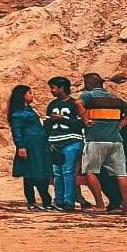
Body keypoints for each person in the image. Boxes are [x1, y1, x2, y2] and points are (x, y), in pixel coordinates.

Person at [76, 72, 127, 215]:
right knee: (121, 174)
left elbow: (78, 103)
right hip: (115, 140)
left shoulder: (89, 96)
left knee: (90, 172)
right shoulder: (114, 98)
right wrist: (120, 125)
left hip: (96, 139)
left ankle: (99, 204)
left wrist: (84, 119)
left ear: (89, 84)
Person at [42, 76, 85, 211]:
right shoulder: (52, 105)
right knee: (57, 173)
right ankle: (58, 201)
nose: (51, 91)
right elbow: (47, 124)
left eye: (53, 88)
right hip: (55, 141)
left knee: (68, 172)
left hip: (71, 140)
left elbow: (80, 123)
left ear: (62, 88)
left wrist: (63, 119)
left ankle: (68, 202)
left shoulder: (75, 104)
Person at [7, 85, 52, 210]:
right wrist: (21, 146)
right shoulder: (18, 114)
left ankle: (45, 201)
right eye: (30, 93)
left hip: (39, 144)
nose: (32, 95)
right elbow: (17, 131)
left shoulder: (30, 110)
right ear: (23, 96)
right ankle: (33, 202)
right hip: (30, 145)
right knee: (31, 174)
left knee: (40, 173)